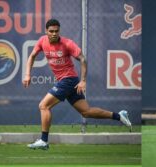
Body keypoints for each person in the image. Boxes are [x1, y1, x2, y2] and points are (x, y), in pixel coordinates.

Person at [22, 19, 132, 150]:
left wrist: (83, 80)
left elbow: (83, 59)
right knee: (86, 112)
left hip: (68, 80)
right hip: (67, 82)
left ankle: (44, 141)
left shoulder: (67, 43)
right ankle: (119, 116)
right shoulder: (42, 41)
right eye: (51, 31)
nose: (54, 34)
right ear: (46, 31)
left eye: (56, 31)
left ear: (59, 31)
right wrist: (28, 74)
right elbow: (32, 56)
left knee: (43, 106)